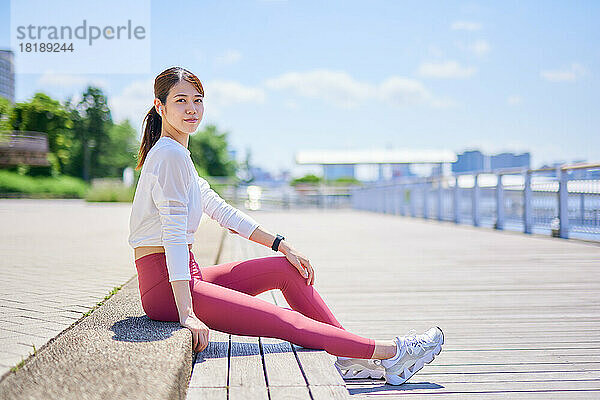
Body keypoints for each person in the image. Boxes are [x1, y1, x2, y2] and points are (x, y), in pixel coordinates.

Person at [127, 66, 444, 385]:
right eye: (180, 100)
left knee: (285, 269)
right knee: (283, 320)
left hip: (185, 277)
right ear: (160, 106)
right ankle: (392, 353)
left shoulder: (178, 154)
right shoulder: (169, 155)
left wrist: (282, 245)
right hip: (167, 287)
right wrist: (187, 313)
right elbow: (173, 239)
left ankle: (350, 355)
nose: (192, 108)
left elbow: (224, 213)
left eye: (198, 100)